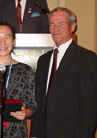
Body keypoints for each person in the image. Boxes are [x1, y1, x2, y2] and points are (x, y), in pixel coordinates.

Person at [30, 7, 97, 138]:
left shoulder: (86, 58)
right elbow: (39, 101)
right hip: (44, 133)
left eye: (61, 24)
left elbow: (90, 107)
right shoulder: (43, 60)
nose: (56, 29)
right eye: (52, 25)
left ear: (73, 26)